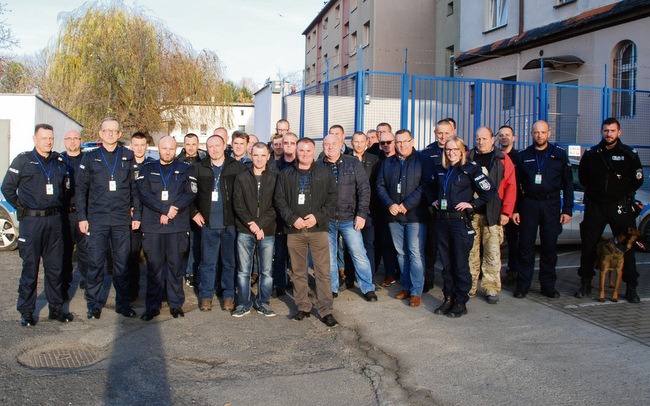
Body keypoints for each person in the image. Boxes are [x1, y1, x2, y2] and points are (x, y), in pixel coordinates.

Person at [2, 124, 72, 326]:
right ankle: (26, 311)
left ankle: (56, 308)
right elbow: (7, 188)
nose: (48, 141)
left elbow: (65, 190)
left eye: (51, 138)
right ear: (35, 139)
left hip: (54, 221)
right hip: (32, 222)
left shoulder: (60, 162)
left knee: (55, 268)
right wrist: (20, 208)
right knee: (30, 268)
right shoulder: (23, 160)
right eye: (44, 138)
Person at [76, 117, 141, 319]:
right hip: (98, 219)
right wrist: (82, 217)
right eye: (107, 130)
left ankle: (123, 304)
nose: (111, 134)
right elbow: (81, 190)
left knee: (122, 264)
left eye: (115, 131)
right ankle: (94, 304)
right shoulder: (90, 157)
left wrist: (136, 214)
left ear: (120, 134)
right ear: (101, 133)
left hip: (122, 220)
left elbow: (135, 190)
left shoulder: (128, 156)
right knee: (95, 263)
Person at [575, 117, 643, 303]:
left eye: (612, 131)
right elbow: (583, 177)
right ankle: (586, 281)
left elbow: (638, 180)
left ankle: (631, 286)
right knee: (589, 246)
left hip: (619, 206)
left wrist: (620, 191)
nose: (609, 134)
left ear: (619, 133)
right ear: (601, 132)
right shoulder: (592, 154)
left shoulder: (629, 154)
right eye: (606, 130)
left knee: (626, 247)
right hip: (596, 205)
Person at [274, 138, 339, 327]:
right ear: (296, 151)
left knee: (322, 272)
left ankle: (326, 310)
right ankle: (303, 306)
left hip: (317, 229)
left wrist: (318, 217)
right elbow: (279, 200)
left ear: (313, 151)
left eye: (308, 150)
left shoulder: (324, 173)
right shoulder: (286, 174)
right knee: (298, 271)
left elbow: (332, 198)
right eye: (301, 150)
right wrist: (292, 218)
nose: (304, 154)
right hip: (294, 229)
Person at [432, 136, 495, 317]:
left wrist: (473, 204)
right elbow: (429, 188)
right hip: (443, 221)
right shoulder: (441, 170)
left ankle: (461, 301)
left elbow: (489, 190)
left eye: (455, 150)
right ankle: (448, 298)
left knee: (460, 264)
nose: (451, 153)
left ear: (462, 151)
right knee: (447, 264)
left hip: (460, 223)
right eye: (448, 150)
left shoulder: (470, 170)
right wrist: (432, 200)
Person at [136, 136, 196, 321]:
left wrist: (171, 210)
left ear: (175, 149)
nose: (168, 151)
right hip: (153, 226)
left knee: (175, 267)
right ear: (158, 149)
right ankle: (152, 306)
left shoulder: (186, 169)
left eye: (171, 148)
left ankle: (176, 304)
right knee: (154, 268)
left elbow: (191, 193)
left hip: (177, 226)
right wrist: (163, 209)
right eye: (164, 148)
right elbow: (144, 193)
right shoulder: (147, 169)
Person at [513, 120, 573, 299]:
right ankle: (523, 285)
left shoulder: (559, 155)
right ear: (532, 134)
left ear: (549, 133)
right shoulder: (523, 155)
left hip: (551, 204)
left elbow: (568, 184)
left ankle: (548, 286)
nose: (539, 135)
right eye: (536, 132)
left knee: (549, 247)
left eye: (543, 132)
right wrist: (515, 209)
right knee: (525, 246)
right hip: (529, 204)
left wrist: (567, 209)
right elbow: (515, 186)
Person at [191, 134, 247, 312]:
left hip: (230, 224)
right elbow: (189, 194)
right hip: (208, 225)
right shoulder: (199, 169)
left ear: (224, 146)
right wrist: (194, 212)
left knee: (230, 263)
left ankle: (229, 295)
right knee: (208, 263)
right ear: (206, 149)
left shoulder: (237, 168)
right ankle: (206, 296)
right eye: (210, 147)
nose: (214, 149)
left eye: (217, 145)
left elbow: (245, 195)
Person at [376, 129, 432, 307]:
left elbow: (425, 186)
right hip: (394, 216)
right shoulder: (388, 162)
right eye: (398, 142)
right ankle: (406, 286)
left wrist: (407, 205)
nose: (402, 145)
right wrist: (390, 204)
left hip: (415, 215)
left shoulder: (423, 160)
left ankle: (416, 291)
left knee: (415, 252)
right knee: (401, 253)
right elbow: (380, 185)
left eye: (405, 141)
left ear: (412, 141)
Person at [319, 133, 377, 301]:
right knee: (329, 257)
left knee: (359, 253)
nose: (330, 147)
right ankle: (332, 288)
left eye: (333, 144)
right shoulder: (319, 166)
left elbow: (364, 190)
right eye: (326, 145)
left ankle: (367, 287)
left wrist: (361, 214)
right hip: (327, 220)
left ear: (341, 144)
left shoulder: (352, 163)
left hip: (349, 218)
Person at [466, 126, 516, 304]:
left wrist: (506, 212)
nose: (480, 142)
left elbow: (511, 186)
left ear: (492, 139)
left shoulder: (502, 159)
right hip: (471, 214)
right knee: (471, 253)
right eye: (478, 138)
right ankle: (469, 287)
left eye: (484, 138)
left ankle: (491, 288)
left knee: (492, 254)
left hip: (493, 214)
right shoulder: (468, 157)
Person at [231, 142, 278, 317]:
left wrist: (261, 224)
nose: (259, 158)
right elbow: (238, 204)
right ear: (251, 156)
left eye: (262, 155)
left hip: (267, 231)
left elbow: (276, 205)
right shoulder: (242, 177)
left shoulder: (274, 178)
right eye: (255, 155)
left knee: (266, 271)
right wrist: (252, 224)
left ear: (268, 156)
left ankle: (263, 302)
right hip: (245, 229)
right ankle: (243, 303)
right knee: (244, 270)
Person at [421, 119, 455, 293]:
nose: (443, 136)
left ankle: (453, 282)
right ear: (435, 133)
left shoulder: (459, 151)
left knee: (452, 248)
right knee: (431, 246)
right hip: (434, 208)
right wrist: (430, 200)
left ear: (453, 132)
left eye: (446, 133)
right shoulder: (427, 153)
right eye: (439, 133)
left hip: (454, 210)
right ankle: (428, 281)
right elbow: (424, 182)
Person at [60, 129, 89, 298]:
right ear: (64, 141)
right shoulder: (58, 160)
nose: (72, 142)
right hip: (65, 213)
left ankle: (87, 282)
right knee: (64, 251)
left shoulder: (88, 159)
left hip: (83, 212)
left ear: (81, 140)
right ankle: (64, 285)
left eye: (75, 139)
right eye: (69, 139)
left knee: (86, 250)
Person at [346, 131, 379, 280]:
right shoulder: (346, 159)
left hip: (368, 210)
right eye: (356, 141)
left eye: (362, 141)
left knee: (368, 244)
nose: (359, 144)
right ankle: (349, 277)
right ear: (351, 142)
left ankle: (369, 277)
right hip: (349, 209)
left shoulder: (374, 160)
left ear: (367, 142)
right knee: (349, 246)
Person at [126, 132, 155, 301]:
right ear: (131, 146)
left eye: (142, 145)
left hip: (149, 215)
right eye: (135, 145)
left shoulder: (151, 165)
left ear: (146, 146)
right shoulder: (125, 165)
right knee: (132, 255)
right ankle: (132, 290)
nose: (139, 148)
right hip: (130, 216)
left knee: (152, 256)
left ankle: (154, 291)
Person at [270, 131, 298, 297]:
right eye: (285, 143)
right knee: (279, 253)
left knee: (296, 254)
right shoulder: (273, 166)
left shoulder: (301, 164)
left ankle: (297, 283)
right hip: (279, 216)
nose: (287, 146)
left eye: (291, 143)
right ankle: (280, 284)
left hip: (297, 217)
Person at [177, 133, 206, 288]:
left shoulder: (203, 162)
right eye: (188, 144)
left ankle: (192, 272)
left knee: (196, 242)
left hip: (198, 210)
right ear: (184, 145)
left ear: (197, 144)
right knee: (181, 244)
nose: (190, 147)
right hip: (181, 209)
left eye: (193, 144)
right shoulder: (177, 162)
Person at [376, 131, 399, 286]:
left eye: (389, 142)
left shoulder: (401, 159)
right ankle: (390, 273)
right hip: (382, 207)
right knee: (386, 243)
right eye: (382, 143)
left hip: (400, 208)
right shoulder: (377, 159)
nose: (385, 145)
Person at [498, 125, 520, 286]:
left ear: (513, 138)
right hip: (496, 207)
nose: (504, 137)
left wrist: (515, 209)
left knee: (514, 242)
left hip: (513, 208)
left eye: (507, 135)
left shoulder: (519, 157)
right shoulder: (495, 156)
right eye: (501, 135)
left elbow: (518, 186)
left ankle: (513, 272)